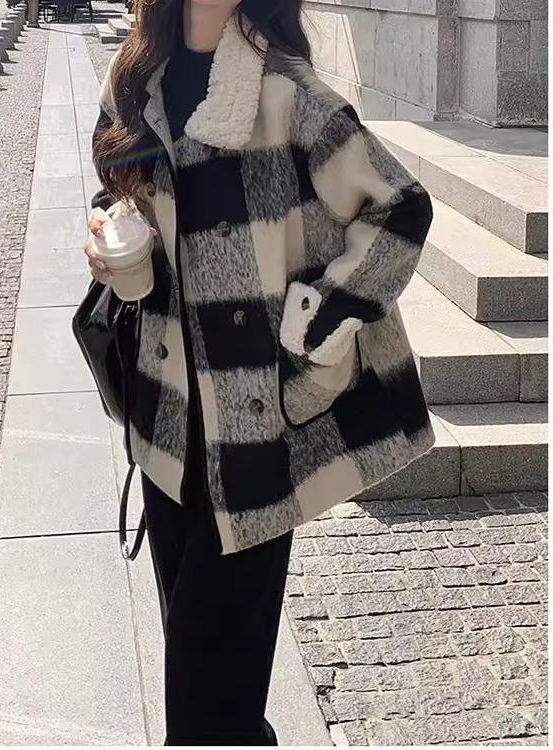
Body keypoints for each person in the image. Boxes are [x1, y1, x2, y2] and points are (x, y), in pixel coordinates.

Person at [84, 0, 436, 744]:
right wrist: (110, 237)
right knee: (215, 698)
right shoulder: (134, 79)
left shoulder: (287, 92)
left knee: (202, 714)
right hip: (164, 433)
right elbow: (116, 193)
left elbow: (400, 209)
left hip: (253, 446)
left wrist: (315, 323)